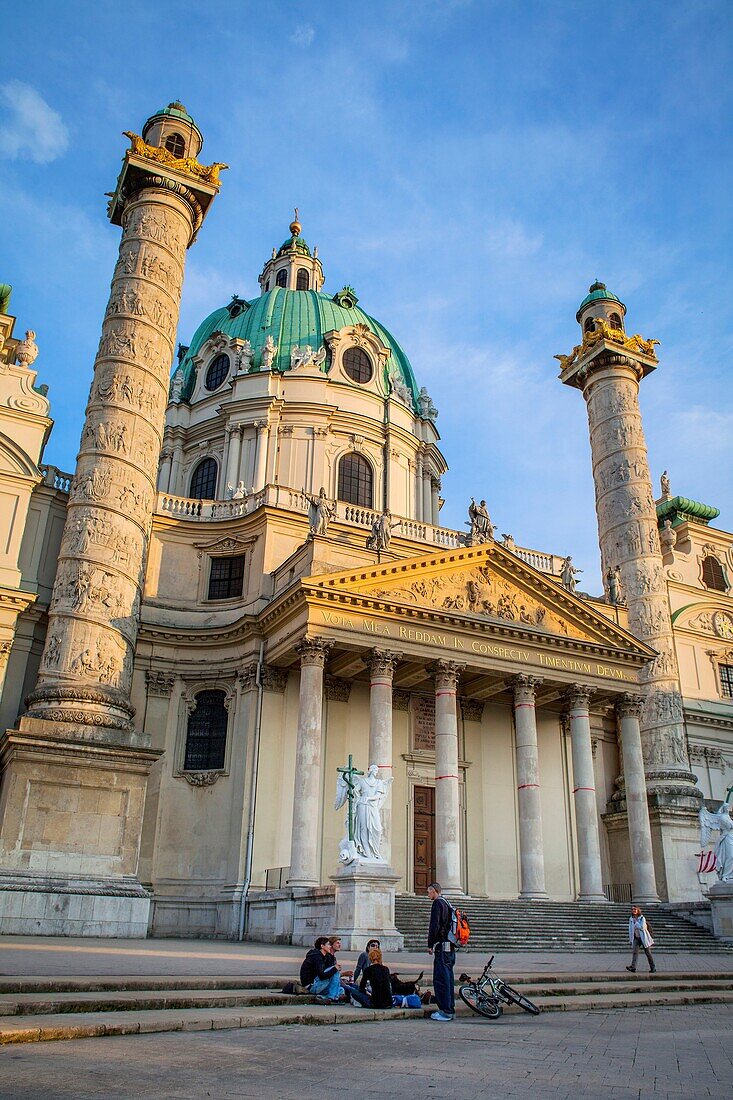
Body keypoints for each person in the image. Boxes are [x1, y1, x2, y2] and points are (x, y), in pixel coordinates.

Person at [427, 882, 455, 1021]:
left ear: (434, 891)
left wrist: (430, 944)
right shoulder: (447, 903)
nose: (428, 895)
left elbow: (434, 925)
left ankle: (445, 1011)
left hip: (442, 946)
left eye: (429, 892)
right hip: (450, 946)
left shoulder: (437, 904)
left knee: (441, 978)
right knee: (448, 977)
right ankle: (450, 1008)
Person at [299, 936, 344, 1003]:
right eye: (328, 944)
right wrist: (334, 969)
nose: (330, 946)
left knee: (341, 990)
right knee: (335, 970)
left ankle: (323, 997)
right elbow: (322, 976)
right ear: (322, 946)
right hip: (311, 986)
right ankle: (332, 998)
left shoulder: (324, 957)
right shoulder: (316, 957)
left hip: (318, 984)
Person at [626, 905, 656, 973]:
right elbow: (631, 929)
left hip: (643, 938)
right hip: (636, 938)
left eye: (635, 909)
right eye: (632, 909)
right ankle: (633, 967)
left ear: (638, 910)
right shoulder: (631, 918)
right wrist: (631, 939)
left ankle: (653, 967)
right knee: (635, 953)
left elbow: (642, 927)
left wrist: (636, 923)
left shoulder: (642, 918)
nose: (633, 910)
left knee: (648, 953)